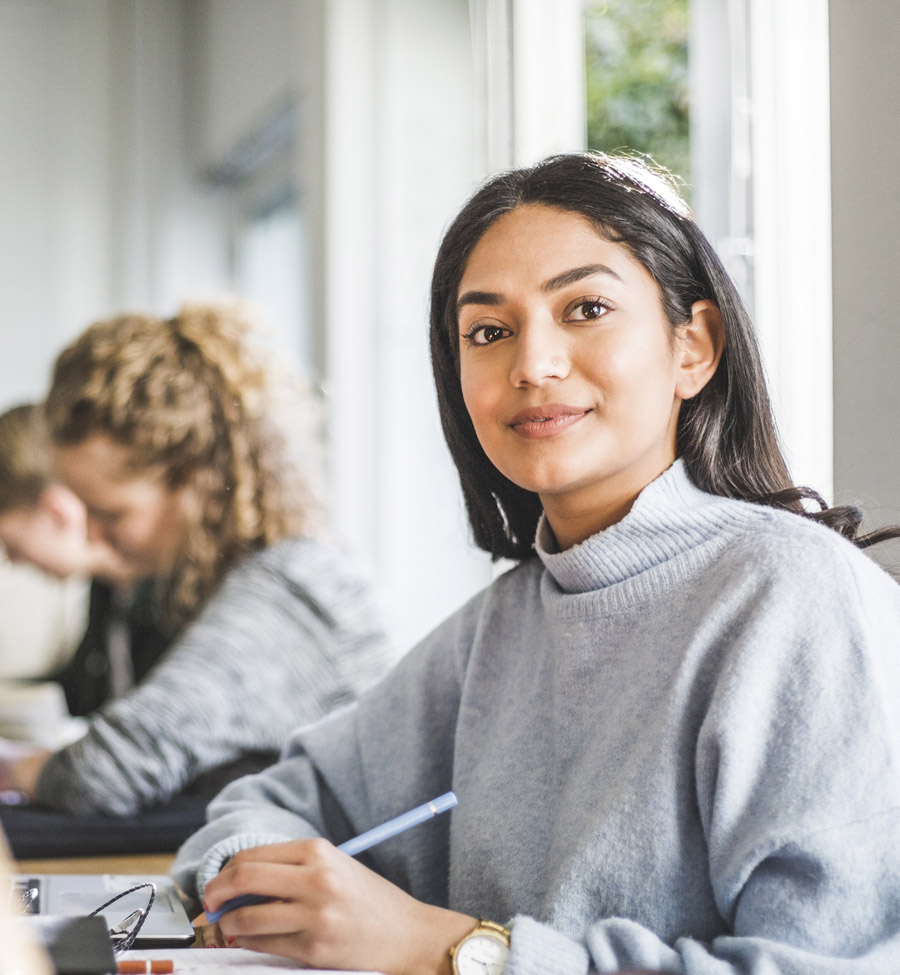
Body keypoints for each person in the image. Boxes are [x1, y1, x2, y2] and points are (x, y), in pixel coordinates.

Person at [171, 152, 900, 975]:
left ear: (694, 347)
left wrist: (453, 950)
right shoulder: (501, 624)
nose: (532, 365)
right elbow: (270, 802)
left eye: (586, 308)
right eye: (489, 331)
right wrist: (257, 883)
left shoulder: (793, 595)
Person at [0, 302, 398, 817]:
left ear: (194, 480)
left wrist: (14, 770)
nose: (94, 534)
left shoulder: (289, 590)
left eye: (111, 513)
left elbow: (108, 771)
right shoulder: (245, 579)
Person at [0, 403, 170, 716]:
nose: (12, 559)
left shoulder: (175, 598)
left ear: (56, 511)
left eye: (11, 542)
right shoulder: (105, 593)